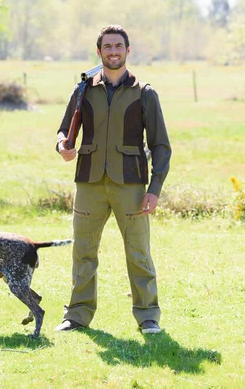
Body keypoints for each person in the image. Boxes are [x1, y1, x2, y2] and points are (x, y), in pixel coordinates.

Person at [54, 25, 171, 334]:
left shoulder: (145, 93)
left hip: (131, 185)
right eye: (108, 47)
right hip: (89, 183)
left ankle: (148, 317)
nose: (113, 51)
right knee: (83, 251)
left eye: (119, 46)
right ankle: (76, 316)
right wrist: (62, 145)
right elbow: (64, 129)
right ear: (99, 51)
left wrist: (154, 189)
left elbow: (161, 145)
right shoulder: (83, 89)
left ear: (127, 51)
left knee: (138, 251)